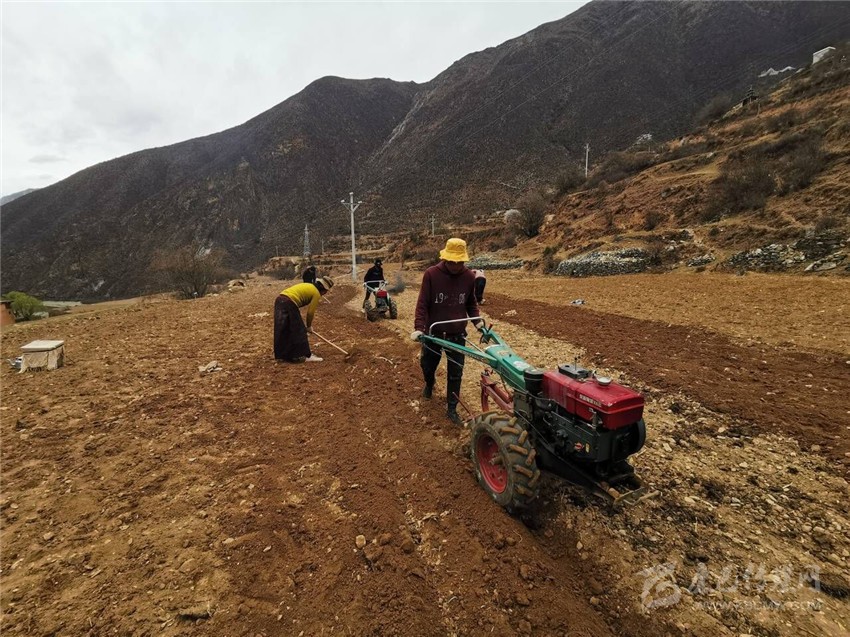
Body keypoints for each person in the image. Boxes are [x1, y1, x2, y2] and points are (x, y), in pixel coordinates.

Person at [411, 238, 481, 425]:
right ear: (445, 259)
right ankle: (429, 383)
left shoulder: (469, 277)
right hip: (433, 333)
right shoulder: (431, 274)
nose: (456, 266)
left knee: (456, 373)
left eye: (459, 262)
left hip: (457, 335)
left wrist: (478, 323)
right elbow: (422, 304)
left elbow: (471, 303)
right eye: (452, 262)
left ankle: (451, 408)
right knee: (427, 365)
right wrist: (419, 328)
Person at [274, 276, 334, 362]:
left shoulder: (309, 286)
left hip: (279, 300)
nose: (325, 293)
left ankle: (283, 355)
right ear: (324, 289)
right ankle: (306, 355)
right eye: (326, 291)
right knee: (300, 330)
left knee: (284, 329)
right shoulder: (316, 293)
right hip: (289, 302)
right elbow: (310, 312)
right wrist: (309, 326)